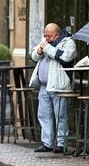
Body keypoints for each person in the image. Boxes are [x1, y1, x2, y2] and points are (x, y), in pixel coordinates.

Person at [29, 23, 77, 153]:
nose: (46, 38)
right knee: (44, 115)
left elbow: (66, 57)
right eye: (45, 35)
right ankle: (47, 142)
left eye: (49, 36)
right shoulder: (45, 41)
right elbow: (33, 56)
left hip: (59, 86)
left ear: (57, 34)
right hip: (44, 85)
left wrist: (47, 48)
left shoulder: (68, 42)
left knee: (61, 115)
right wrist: (38, 51)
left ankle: (62, 143)